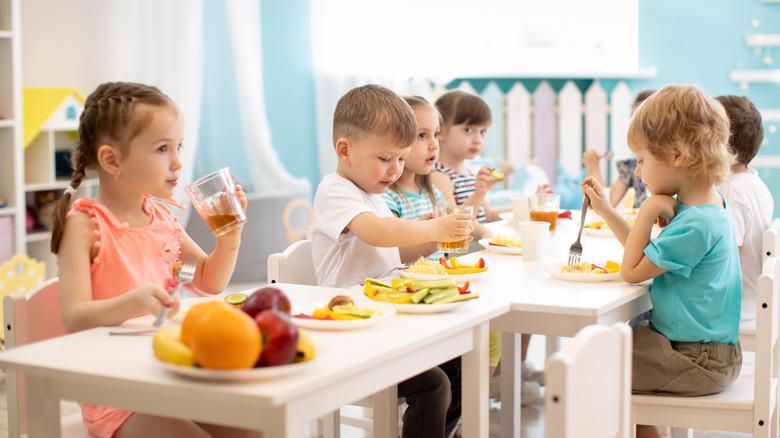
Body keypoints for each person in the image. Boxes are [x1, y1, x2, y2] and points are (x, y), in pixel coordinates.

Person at [49, 82, 258, 438]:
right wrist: (135, 301)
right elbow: (75, 319)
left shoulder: (162, 219)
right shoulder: (85, 228)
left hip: (166, 372)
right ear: (112, 160)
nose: (178, 162)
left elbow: (208, 279)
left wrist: (229, 239)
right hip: (117, 392)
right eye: (162, 148)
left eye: (179, 146)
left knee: (255, 429)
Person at [311, 84, 472, 437]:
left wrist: (438, 237)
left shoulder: (373, 193)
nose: (396, 170)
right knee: (434, 386)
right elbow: (378, 233)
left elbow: (392, 251)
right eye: (386, 159)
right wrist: (433, 224)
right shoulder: (335, 190)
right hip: (351, 330)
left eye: (401, 159)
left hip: (384, 321)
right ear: (345, 150)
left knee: (462, 362)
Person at [582, 85, 742, 438]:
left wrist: (650, 206)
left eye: (641, 160)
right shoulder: (705, 206)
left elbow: (630, 271)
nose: (637, 172)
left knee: (591, 367)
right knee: (611, 349)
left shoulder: (697, 224)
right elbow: (645, 257)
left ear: (677, 155)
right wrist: (607, 210)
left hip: (696, 359)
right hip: (696, 349)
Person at [716, 95, 774, 324]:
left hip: (733, 307)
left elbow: (727, 259)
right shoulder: (754, 183)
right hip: (751, 300)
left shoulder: (732, 191)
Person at [430, 90, 509, 224]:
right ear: (441, 132)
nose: (478, 140)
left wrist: (528, 208)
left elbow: (488, 216)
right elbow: (453, 222)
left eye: (483, 131)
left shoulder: (470, 174)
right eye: (468, 130)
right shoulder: (439, 176)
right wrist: (478, 194)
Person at [582, 89, 655, 209]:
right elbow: (607, 203)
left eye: (646, 121)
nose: (639, 128)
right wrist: (593, 167)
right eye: (634, 121)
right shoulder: (632, 167)